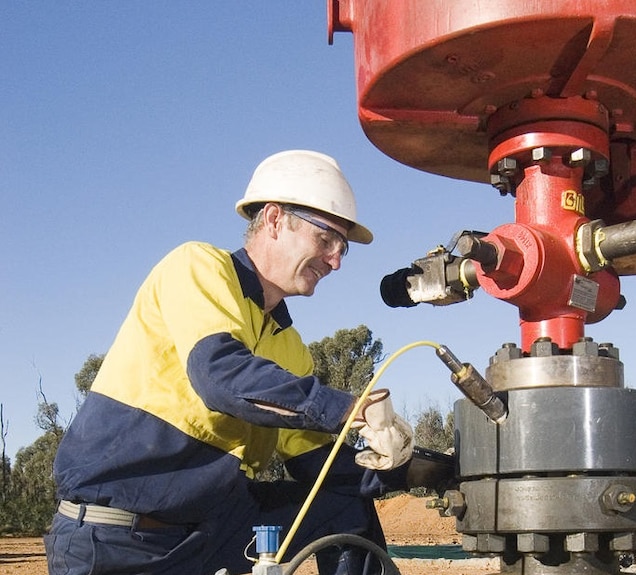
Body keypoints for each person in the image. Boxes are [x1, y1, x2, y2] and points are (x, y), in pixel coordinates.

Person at [44, 150, 415, 575]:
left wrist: (409, 467)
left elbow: (323, 467)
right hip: (118, 540)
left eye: (342, 248)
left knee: (345, 506)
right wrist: (353, 410)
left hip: (211, 530)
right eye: (326, 239)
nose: (335, 261)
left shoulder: (289, 345)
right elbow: (220, 376)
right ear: (275, 219)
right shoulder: (198, 266)